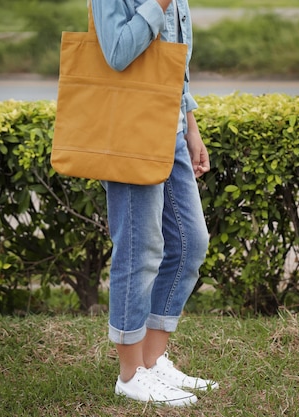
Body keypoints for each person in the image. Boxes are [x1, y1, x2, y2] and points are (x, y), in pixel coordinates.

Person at [90, 0, 218, 407]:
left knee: (190, 241)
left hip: (171, 127)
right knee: (138, 250)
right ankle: (130, 376)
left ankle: (152, 359)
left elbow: (173, 64)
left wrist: (191, 127)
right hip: (130, 131)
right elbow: (117, 53)